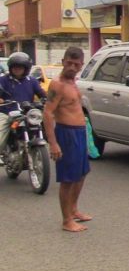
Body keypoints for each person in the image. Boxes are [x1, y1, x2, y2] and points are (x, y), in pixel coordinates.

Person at [43, 47, 91, 233]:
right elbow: (48, 113)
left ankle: (73, 209)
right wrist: (53, 143)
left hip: (79, 132)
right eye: (69, 63)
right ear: (63, 61)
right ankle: (66, 220)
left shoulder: (73, 82)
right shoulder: (58, 85)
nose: (72, 67)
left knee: (81, 173)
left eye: (76, 64)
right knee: (68, 179)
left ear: (81, 65)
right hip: (67, 133)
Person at [0, 52, 47, 151]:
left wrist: (46, 100)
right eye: (15, 66)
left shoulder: (32, 81)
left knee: (47, 122)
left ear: (26, 68)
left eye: (20, 67)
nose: (17, 69)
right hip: (7, 113)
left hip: (27, 113)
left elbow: (42, 94)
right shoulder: (3, 80)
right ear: (10, 67)